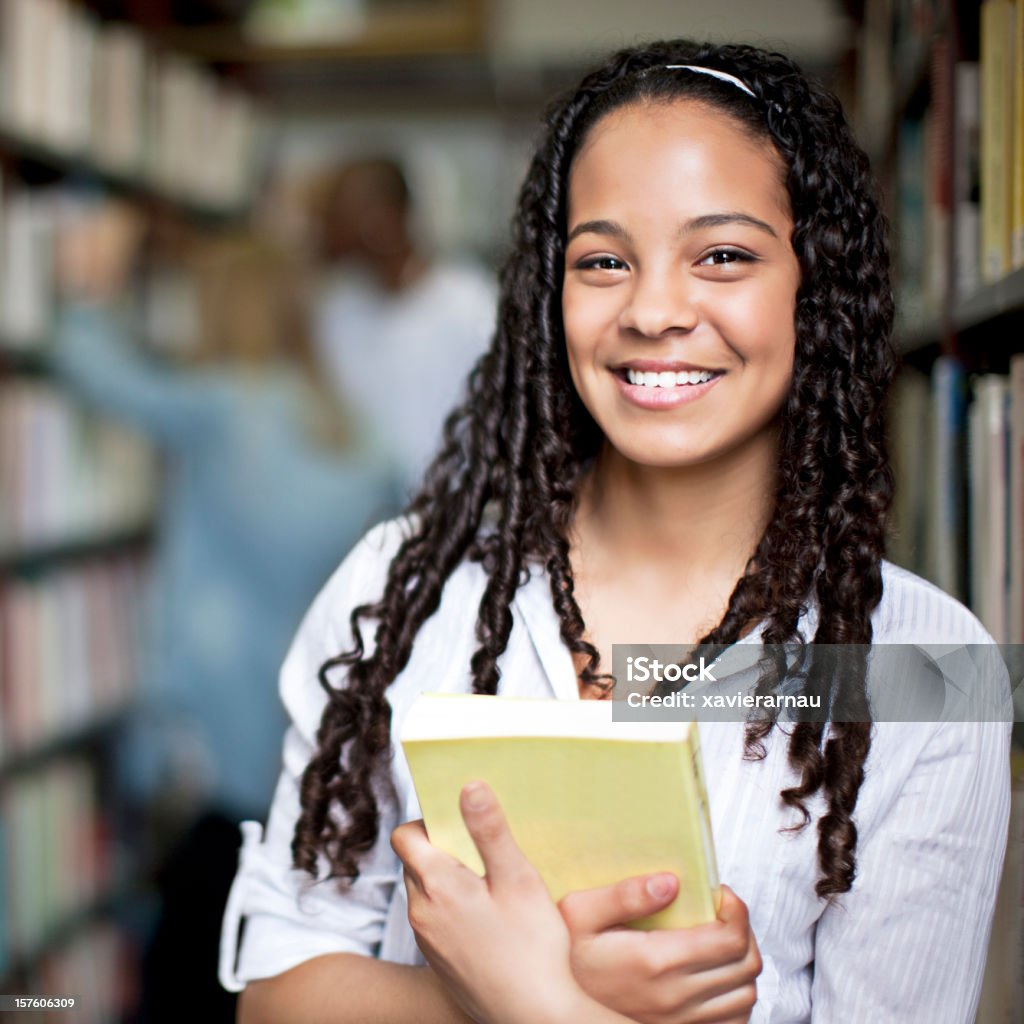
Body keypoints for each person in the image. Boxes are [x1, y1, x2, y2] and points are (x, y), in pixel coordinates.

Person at [219, 40, 1012, 1024]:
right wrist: (494, 997)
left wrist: (539, 1003)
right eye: (603, 261)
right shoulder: (404, 588)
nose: (651, 310)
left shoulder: (926, 666)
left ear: (816, 288)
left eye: (722, 255)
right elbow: (275, 997)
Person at [53, 208, 400, 1022]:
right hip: (309, 735)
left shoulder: (223, 408)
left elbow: (95, 370)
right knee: (258, 944)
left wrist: (86, 284)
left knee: (183, 958)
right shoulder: (360, 439)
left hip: (204, 738)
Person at [311, 157, 497, 493]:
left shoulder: (470, 305)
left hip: (457, 516)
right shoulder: (337, 311)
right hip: (365, 522)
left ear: (381, 217)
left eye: (338, 216)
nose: (325, 230)